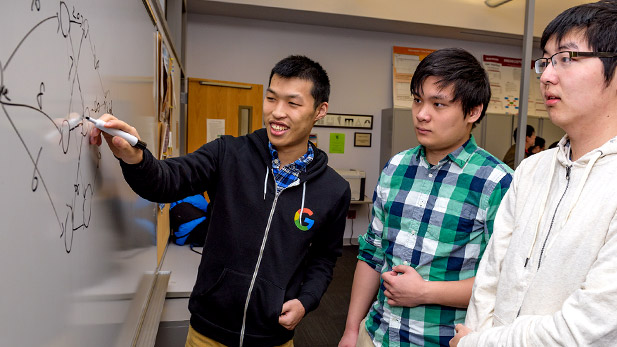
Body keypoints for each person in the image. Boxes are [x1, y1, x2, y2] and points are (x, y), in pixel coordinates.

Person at [90, 55, 351, 347]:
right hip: (208, 334)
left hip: (272, 337)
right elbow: (165, 181)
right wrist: (135, 155)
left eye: (293, 103)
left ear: (320, 110)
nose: (277, 112)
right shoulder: (228, 154)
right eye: (271, 98)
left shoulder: (333, 189)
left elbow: (325, 257)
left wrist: (306, 300)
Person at [451, 1, 617, 345]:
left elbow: (587, 325)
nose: (546, 75)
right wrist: (478, 335)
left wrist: (477, 343)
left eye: (567, 58)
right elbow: (491, 274)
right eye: (546, 60)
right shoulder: (532, 168)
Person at [338, 48, 513, 347]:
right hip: (377, 334)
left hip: (440, 340)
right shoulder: (396, 167)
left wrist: (424, 292)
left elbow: (503, 283)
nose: (421, 113)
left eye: (439, 104)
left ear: (473, 111)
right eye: (418, 99)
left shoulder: (497, 182)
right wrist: (352, 330)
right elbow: (371, 255)